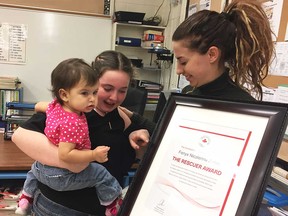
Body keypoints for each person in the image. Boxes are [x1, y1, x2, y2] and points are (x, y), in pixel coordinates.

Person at [12, 51, 150, 216]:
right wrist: (72, 159)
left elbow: (142, 146)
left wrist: (134, 134)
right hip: (59, 208)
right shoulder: (73, 112)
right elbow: (19, 135)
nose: (114, 97)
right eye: (107, 88)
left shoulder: (119, 115)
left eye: (123, 91)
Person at [121, 0, 275, 134]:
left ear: (212, 54)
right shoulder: (189, 94)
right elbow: (170, 136)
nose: (178, 71)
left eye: (183, 62)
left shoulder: (245, 109)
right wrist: (135, 118)